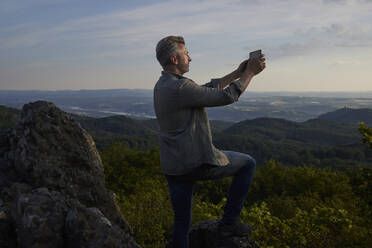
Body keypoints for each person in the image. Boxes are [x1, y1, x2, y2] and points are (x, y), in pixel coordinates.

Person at [153, 36, 265, 248]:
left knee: (181, 223)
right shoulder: (180, 87)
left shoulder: (163, 85)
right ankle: (229, 223)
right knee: (248, 163)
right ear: (175, 59)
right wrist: (250, 73)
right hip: (193, 163)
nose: (190, 58)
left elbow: (206, 89)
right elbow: (226, 97)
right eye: (186, 54)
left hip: (173, 166)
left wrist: (237, 72)